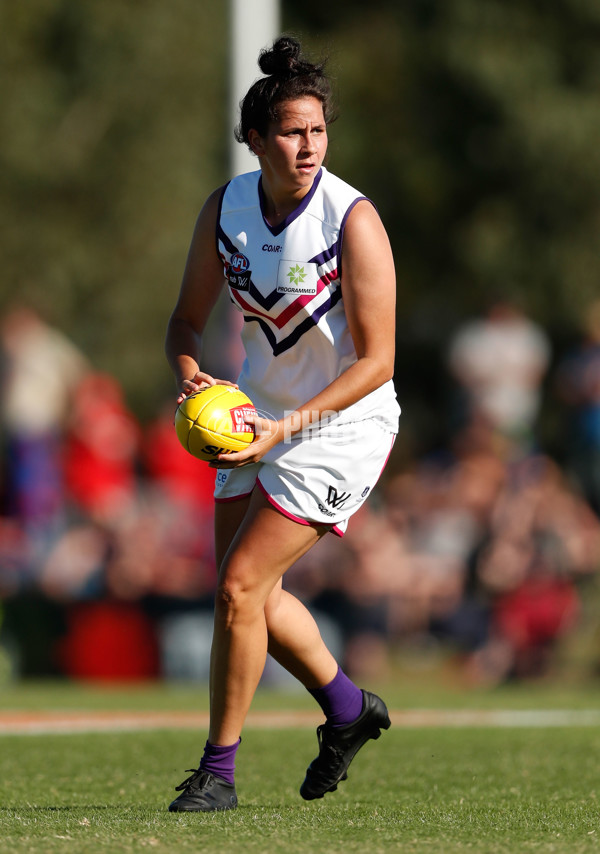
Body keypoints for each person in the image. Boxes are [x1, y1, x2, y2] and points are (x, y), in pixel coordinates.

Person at [164, 36, 400, 812]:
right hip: (258, 418)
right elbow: (184, 322)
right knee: (248, 597)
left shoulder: (350, 219)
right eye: (293, 132)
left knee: (239, 586)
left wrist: (288, 427)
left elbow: (378, 362)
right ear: (256, 138)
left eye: (318, 131)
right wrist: (191, 375)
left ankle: (219, 774)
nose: (309, 147)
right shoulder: (226, 209)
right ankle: (347, 709)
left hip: (343, 424)